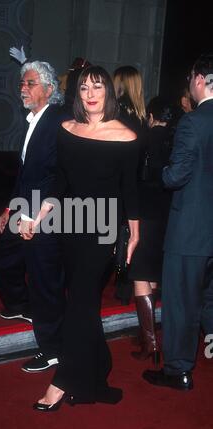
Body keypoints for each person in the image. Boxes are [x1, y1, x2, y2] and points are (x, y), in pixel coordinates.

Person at [21, 65, 139, 411]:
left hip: (102, 230)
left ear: (109, 93)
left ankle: (62, 381)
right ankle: (98, 364)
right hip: (70, 226)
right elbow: (59, 183)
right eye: (84, 88)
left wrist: (134, 235)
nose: (90, 94)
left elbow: (130, 190)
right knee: (83, 304)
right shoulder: (66, 130)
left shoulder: (125, 135)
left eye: (97, 87)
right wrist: (37, 216)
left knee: (79, 304)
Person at [0, 61, 69, 373]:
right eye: (22, 83)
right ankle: (20, 305)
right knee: (4, 254)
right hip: (24, 205)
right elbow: (25, 172)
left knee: (45, 280)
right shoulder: (34, 119)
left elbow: (56, 175)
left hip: (47, 211)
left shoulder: (56, 122)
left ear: (49, 90)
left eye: (30, 83)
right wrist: (10, 208)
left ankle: (53, 349)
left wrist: (35, 216)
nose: (23, 88)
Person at [143, 53, 213, 391]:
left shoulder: (192, 122)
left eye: (190, 78)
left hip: (190, 232)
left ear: (199, 78)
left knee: (181, 304)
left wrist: (162, 170)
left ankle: (178, 370)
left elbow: (176, 176)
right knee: (210, 301)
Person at [128, 96, 174, 365]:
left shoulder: (144, 139)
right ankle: (147, 334)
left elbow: (134, 180)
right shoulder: (177, 138)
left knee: (140, 275)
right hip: (168, 216)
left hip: (146, 215)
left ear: (152, 115)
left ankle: (151, 344)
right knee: (153, 274)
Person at [112, 65, 148, 306]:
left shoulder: (117, 112)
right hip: (135, 182)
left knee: (118, 232)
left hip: (116, 181)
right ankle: (124, 280)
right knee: (126, 231)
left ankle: (122, 281)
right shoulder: (141, 116)